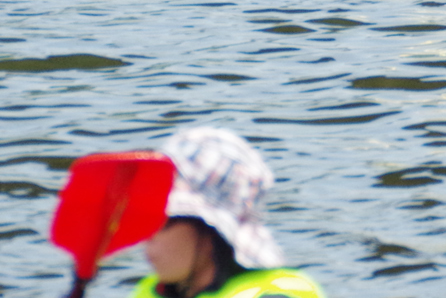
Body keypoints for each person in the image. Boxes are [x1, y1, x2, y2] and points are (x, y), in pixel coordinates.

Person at [133, 127, 325, 298]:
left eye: (163, 220)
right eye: (145, 217)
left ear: (210, 228)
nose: (147, 234)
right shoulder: (148, 290)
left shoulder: (274, 294)